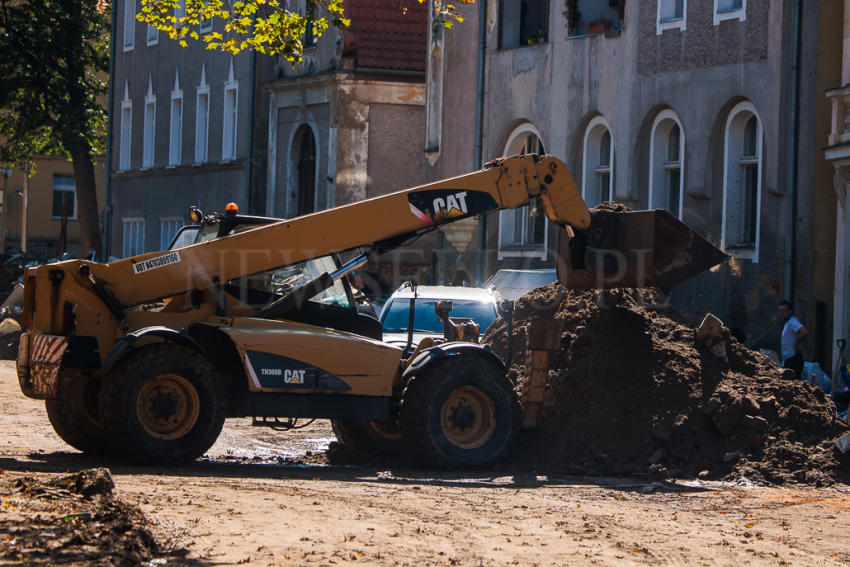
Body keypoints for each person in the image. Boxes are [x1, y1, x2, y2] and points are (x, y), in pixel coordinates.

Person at [777, 300, 808, 379]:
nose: (781, 313)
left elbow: (804, 332)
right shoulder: (788, 323)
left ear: (790, 311)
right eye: (780, 310)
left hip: (793, 359)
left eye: (783, 310)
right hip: (789, 358)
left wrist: (795, 345)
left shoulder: (792, 321)